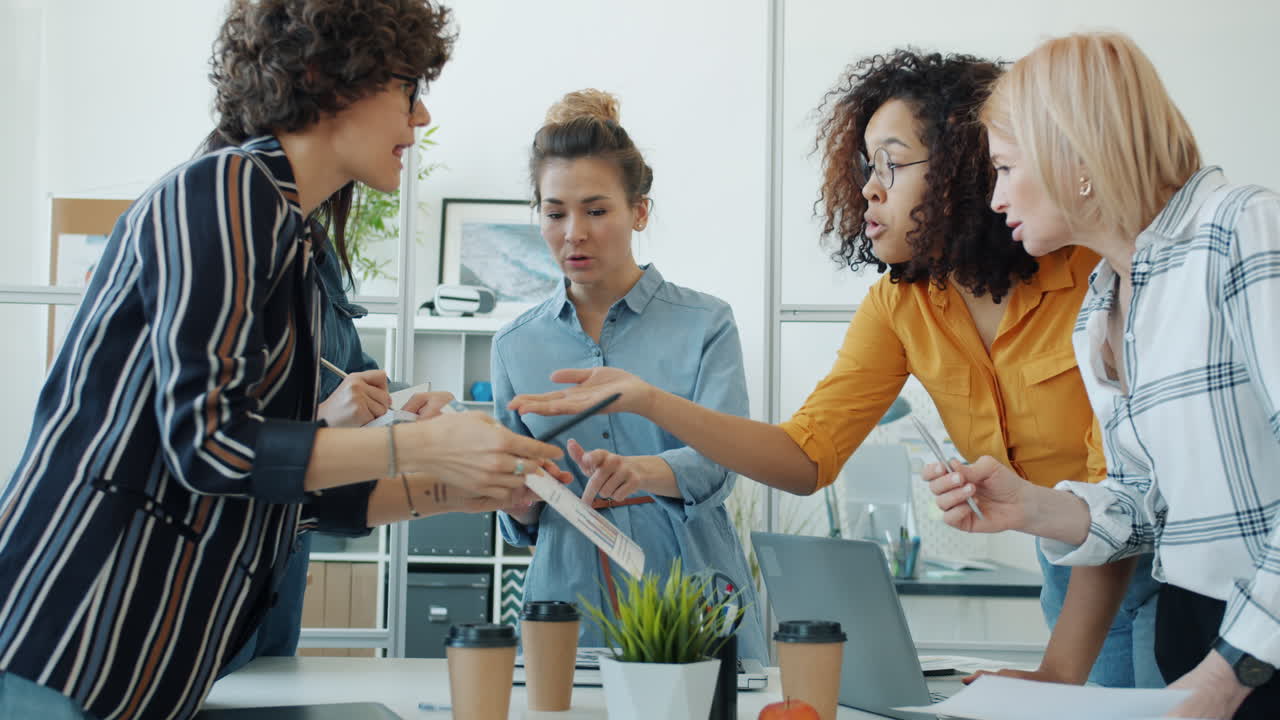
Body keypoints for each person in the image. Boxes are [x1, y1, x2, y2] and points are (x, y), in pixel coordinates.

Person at [507, 52, 1161, 686]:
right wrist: (649, 400)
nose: (869, 187)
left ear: (967, 167)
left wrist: (1059, 672)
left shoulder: (1089, 275)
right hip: (1069, 570)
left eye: (893, 165)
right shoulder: (900, 304)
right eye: (866, 165)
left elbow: (1117, 490)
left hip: (1164, 569)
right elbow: (805, 458)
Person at [0, 2, 565, 718]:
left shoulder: (294, 246)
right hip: (63, 646)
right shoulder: (227, 190)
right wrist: (425, 443)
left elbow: (282, 496)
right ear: (325, 76)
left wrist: (456, 487)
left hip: (129, 675)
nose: (420, 120)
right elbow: (211, 446)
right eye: (408, 88)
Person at [926, 32, 1280, 719]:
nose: (995, 198)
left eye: (1004, 167)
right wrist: (1027, 506)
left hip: (1256, 654)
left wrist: (1231, 674)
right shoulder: (1103, 304)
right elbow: (1144, 505)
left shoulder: (1242, 229)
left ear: (1072, 154)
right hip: (1197, 642)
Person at [491, 89, 768, 662]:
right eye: (554, 212)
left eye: (596, 210)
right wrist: (514, 497)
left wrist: (641, 470)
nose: (574, 233)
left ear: (639, 211)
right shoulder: (514, 344)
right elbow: (518, 505)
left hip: (690, 582)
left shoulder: (706, 322)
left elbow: (725, 456)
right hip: (568, 592)